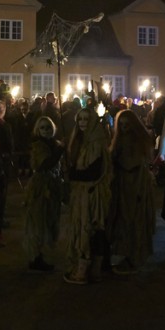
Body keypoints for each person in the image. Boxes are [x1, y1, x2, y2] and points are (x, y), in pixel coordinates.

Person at [63, 106, 112, 284]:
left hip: (91, 192)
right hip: (81, 191)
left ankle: (84, 271)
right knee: (89, 229)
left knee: (89, 229)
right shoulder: (80, 140)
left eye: (86, 119)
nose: (83, 122)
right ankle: (93, 270)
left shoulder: (95, 144)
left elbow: (93, 171)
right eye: (80, 119)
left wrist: (72, 175)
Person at [107, 109, 156, 274]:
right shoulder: (121, 138)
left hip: (134, 184)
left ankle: (133, 257)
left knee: (133, 219)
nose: (124, 127)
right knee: (124, 219)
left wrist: (115, 160)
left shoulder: (136, 140)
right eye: (121, 125)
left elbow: (132, 162)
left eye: (127, 124)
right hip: (124, 184)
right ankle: (128, 255)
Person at [24, 116, 64, 271]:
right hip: (41, 187)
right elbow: (44, 164)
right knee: (38, 221)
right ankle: (36, 257)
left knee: (49, 219)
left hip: (53, 185)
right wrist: (60, 150)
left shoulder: (54, 143)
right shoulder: (38, 146)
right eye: (42, 128)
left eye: (48, 127)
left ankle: (40, 254)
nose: (46, 130)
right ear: (37, 130)